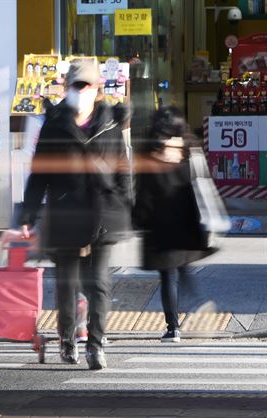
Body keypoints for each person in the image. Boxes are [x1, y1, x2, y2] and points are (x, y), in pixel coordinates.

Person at [15, 59, 132, 370]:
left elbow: (123, 169)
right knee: (66, 283)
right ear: (67, 89)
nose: (80, 92)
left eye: (85, 86)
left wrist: (127, 204)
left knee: (99, 283)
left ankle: (96, 345)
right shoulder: (54, 125)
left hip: (102, 214)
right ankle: (67, 339)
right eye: (75, 86)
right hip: (65, 212)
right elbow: (39, 175)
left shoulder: (109, 124)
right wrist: (27, 215)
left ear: (97, 89)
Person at [133, 107, 215, 343]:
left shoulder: (149, 157)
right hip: (186, 225)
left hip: (160, 230)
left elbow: (142, 199)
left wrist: (137, 219)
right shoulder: (187, 153)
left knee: (169, 277)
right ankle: (199, 305)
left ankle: (173, 327)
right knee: (184, 271)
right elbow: (196, 192)